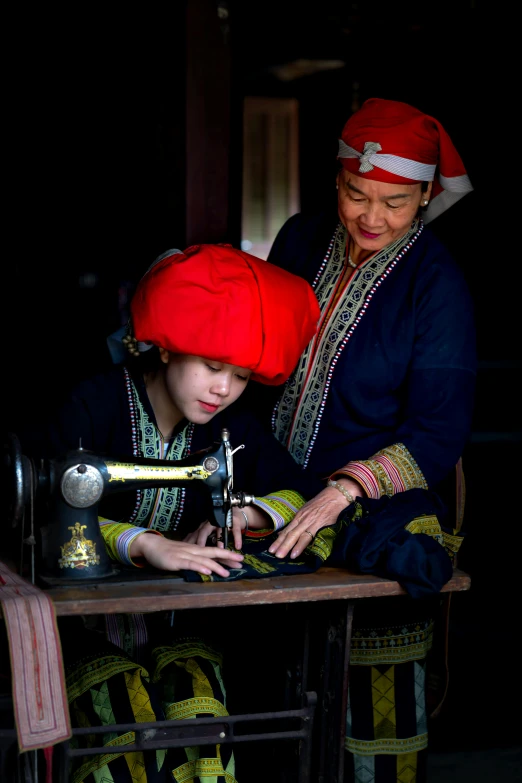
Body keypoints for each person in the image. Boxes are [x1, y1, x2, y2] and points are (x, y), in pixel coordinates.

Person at [16, 243, 322, 783]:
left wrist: (248, 515)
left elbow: (299, 490)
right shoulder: (93, 404)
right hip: (76, 629)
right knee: (120, 703)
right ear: (167, 349)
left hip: (178, 623)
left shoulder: (233, 429)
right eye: (211, 366)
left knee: (199, 698)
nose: (224, 389)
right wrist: (143, 543)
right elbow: (43, 503)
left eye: (242, 376)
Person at [259, 97, 477, 782]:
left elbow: (438, 432)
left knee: (366, 726)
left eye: (396, 201)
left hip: (376, 505)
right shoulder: (298, 240)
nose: (372, 216)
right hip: (271, 492)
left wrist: (344, 489)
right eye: (358, 193)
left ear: (424, 197)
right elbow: (256, 358)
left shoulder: (435, 284)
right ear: (336, 181)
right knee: (266, 701)